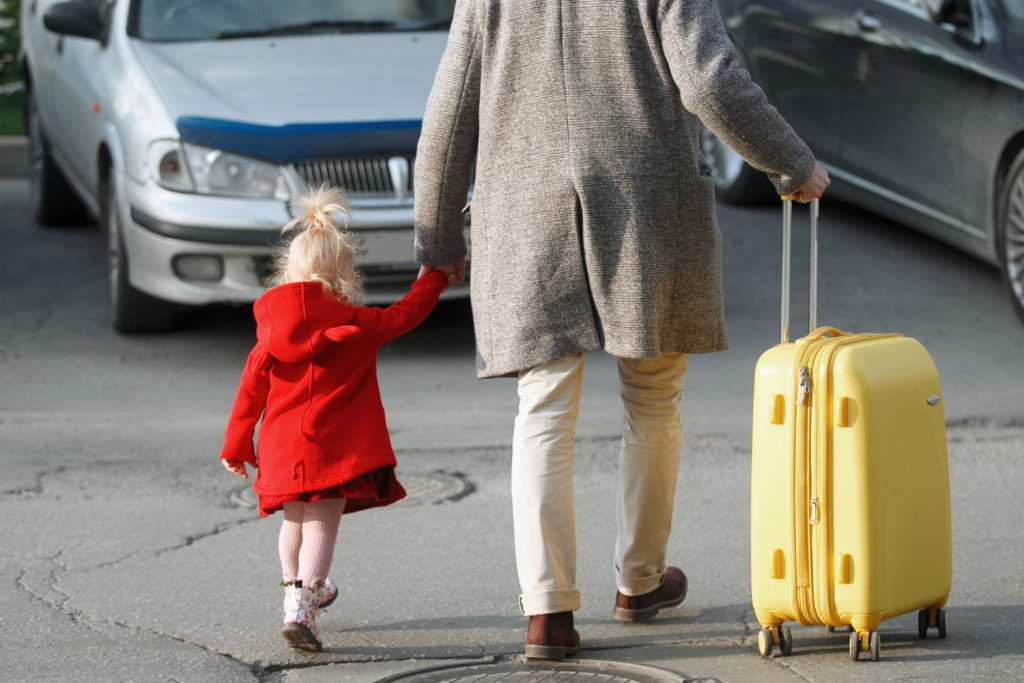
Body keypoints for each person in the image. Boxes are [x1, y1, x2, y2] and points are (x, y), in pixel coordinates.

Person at [413, 0, 830, 661]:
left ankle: (546, 610)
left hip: (525, 210)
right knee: (655, 391)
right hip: (645, 202)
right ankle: (639, 580)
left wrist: (437, 232)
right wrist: (791, 161)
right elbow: (709, 78)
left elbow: (451, 103)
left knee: (543, 403)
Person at [218, 186, 449, 652]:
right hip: (332, 448)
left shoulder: (268, 338)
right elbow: (407, 313)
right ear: (346, 274)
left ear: (288, 272)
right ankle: (305, 608)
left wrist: (237, 446)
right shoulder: (357, 326)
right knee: (322, 522)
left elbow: (249, 394)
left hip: (282, 449)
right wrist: (435, 277)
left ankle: (296, 594)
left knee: (295, 521)